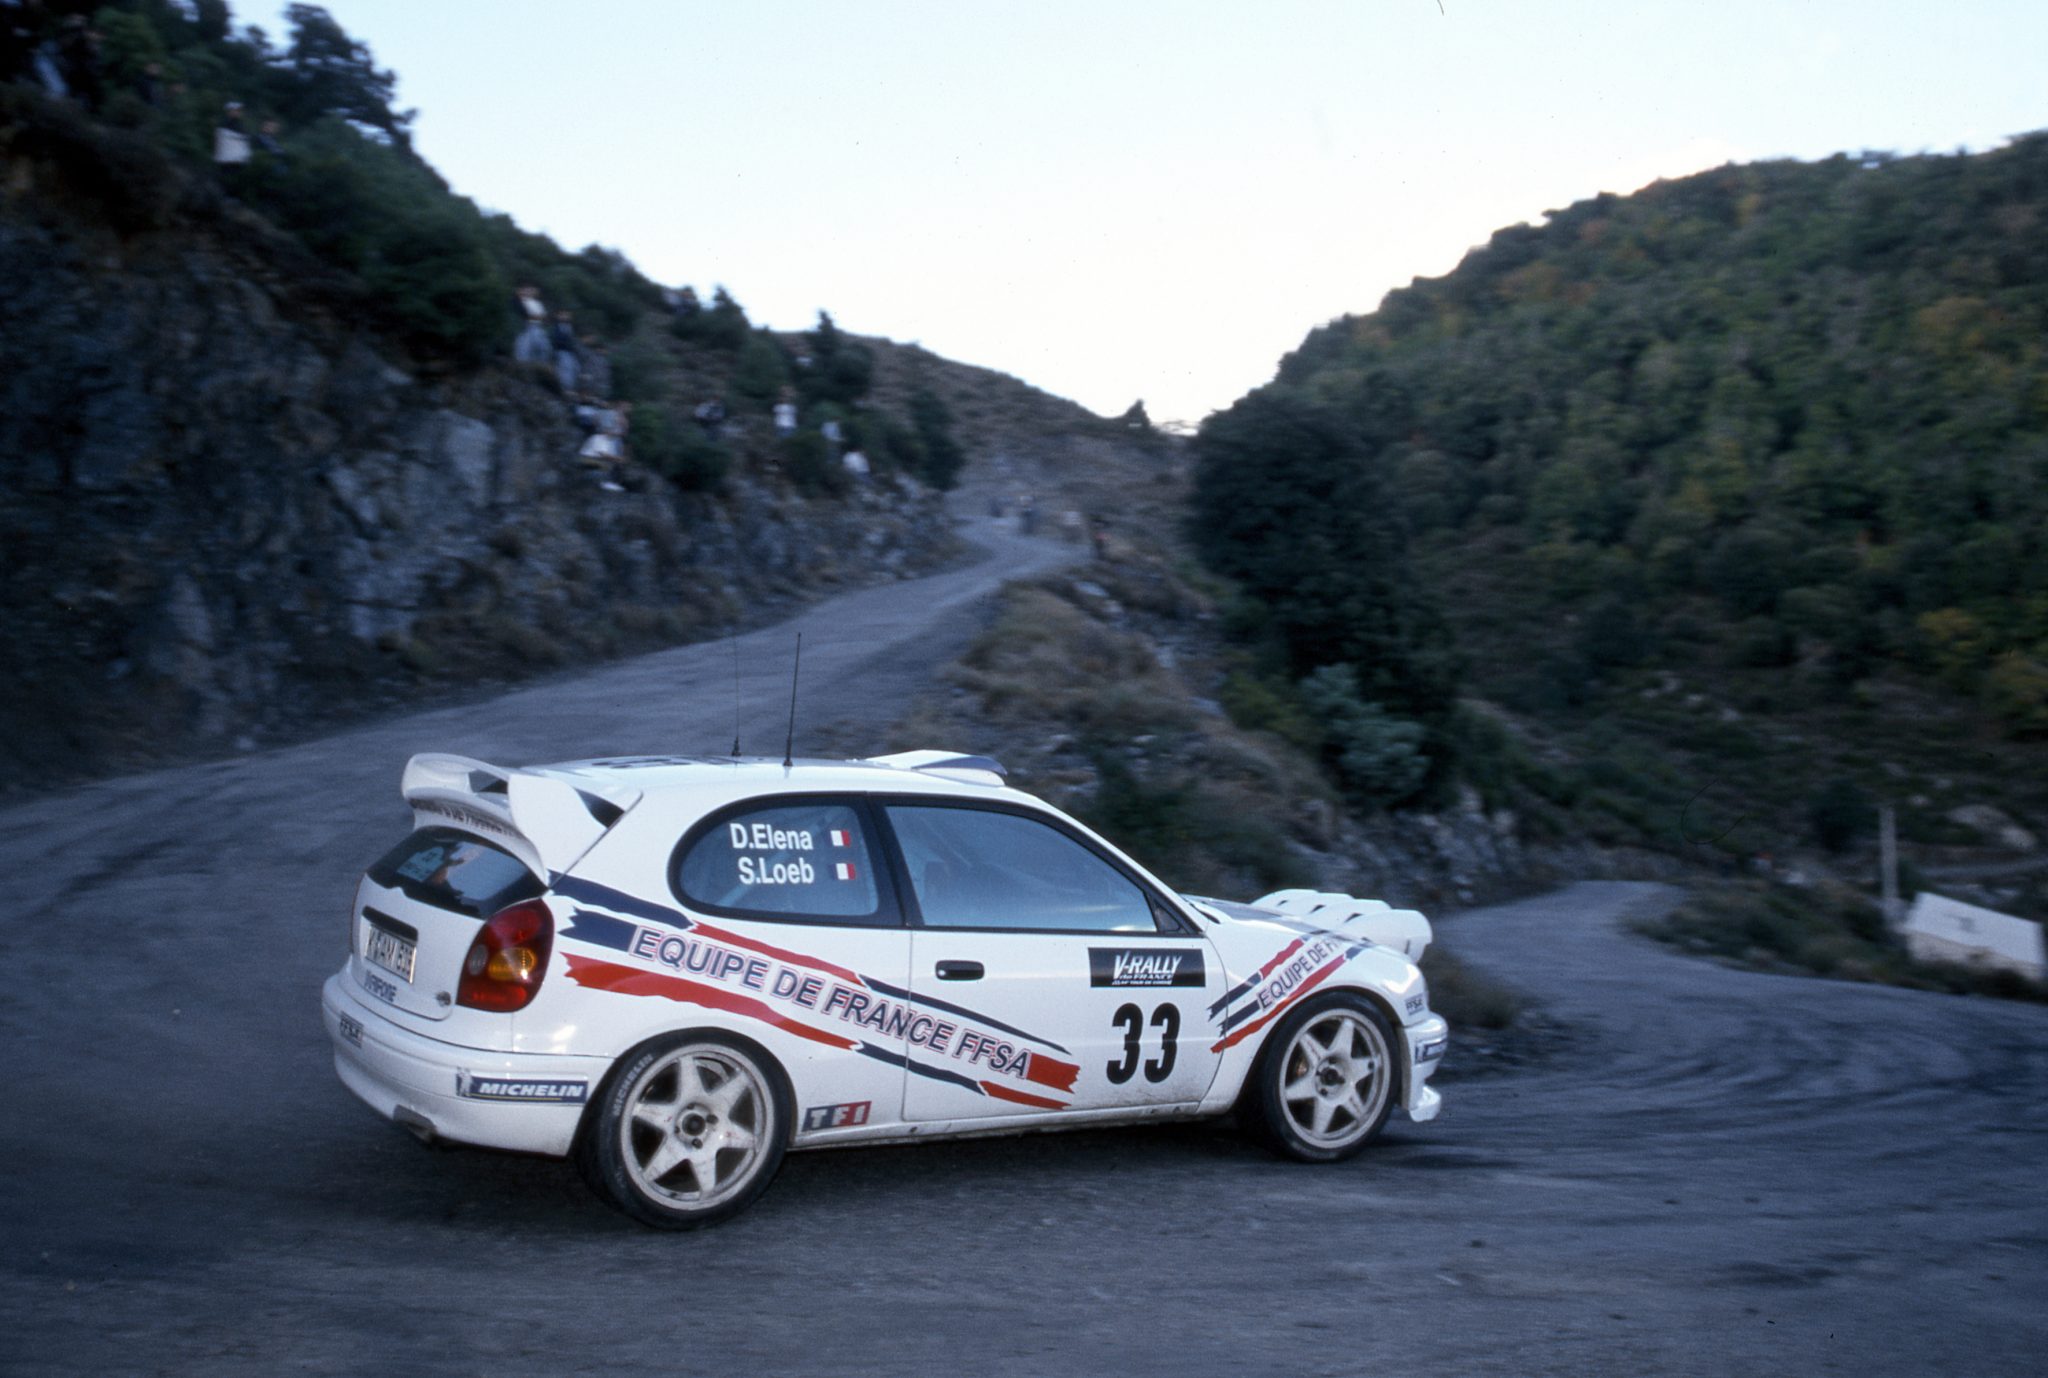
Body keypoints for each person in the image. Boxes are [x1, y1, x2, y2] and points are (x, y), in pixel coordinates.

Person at [512, 286, 550, 364]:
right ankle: (523, 364)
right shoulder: (521, 302)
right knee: (524, 347)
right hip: (526, 326)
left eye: (532, 290)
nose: (530, 292)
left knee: (543, 347)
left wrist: (537, 317)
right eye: (527, 290)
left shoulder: (538, 303)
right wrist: (535, 317)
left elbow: (543, 316)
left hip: (538, 327)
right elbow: (526, 315)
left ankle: (540, 364)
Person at [549, 310, 579, 393]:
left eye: (567, 314)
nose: (566, 316)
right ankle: (564, 388)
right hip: (561, 351)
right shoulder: (556, 327)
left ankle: (569, 388)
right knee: (565, 369)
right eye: (563, 314)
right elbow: (556, 340)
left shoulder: (569, 327)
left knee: (574, 369)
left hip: (570, 352)